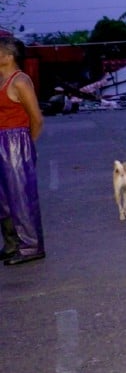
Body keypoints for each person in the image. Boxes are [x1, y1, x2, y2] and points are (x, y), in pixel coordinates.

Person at [0, 37, 45, 265]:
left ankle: (31, 246)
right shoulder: (1, 79)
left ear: (9, 56)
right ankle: (12, 244)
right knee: (4, 199)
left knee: (21, 197)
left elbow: (37, 118)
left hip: (16, 141)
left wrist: (28, 146)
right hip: (2, 140)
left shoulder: (20, 81)